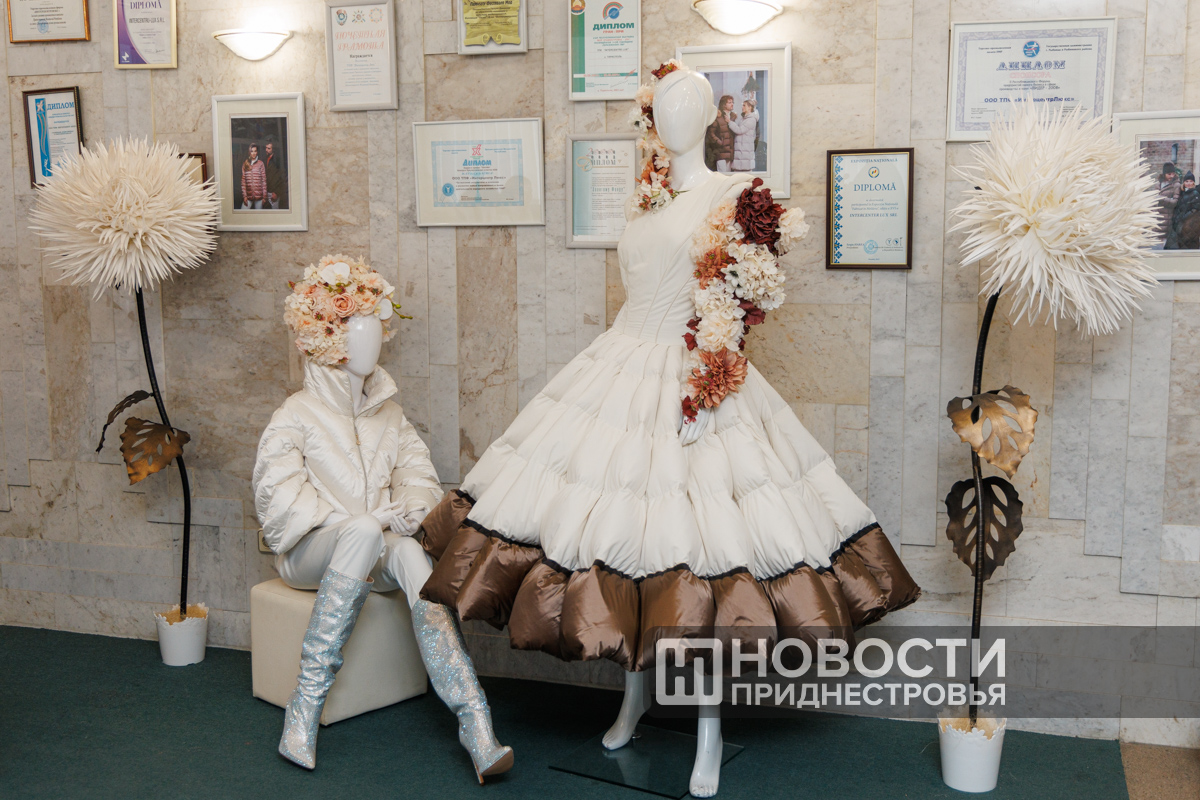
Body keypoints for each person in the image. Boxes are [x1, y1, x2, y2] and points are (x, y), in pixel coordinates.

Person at [417, 65, 919, 798]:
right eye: (665, 105)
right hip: (620, 368)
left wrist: (708, 381)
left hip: (696, 378)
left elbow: (735, 307)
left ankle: (707, 731)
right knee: (634, 547)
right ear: (652, 117)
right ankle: (635, 697)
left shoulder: (734, 194)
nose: (674, 117)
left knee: (699, 556)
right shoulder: (647, 194)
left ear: (712, 116)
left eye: (690, 105)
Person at [255, 255, 513, 780]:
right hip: (309, 554)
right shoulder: (295, 415)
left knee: (411, 554)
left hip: (372, 548)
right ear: (328, 339)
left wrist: (410, 511)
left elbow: (418, 476)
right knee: (363, 529)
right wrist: (363, 517)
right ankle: (303, 711)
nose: (370, 341)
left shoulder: (390, 415)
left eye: (375, 329)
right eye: (357, 330)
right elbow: (276, 506)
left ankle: (475, 721)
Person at [1167, 171, 1200, 250]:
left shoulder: (1195, 193)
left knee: (1189, 248)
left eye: (1191, 181)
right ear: (1184, 182)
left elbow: (1195, 209)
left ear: (1193, 183)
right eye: (1187, 181)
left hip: (1190, 226)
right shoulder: (1182, 193)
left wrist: (1183, 218)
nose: (1188, 183)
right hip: (1180, 225)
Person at [704, 94, 735, 172]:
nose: (732, 104)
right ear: (724, 105)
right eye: (729, 102)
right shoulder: (718, 116)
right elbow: (711, 133)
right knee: (722, 175)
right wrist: (720, 143)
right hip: (720, 152)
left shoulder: (732, 117)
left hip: (730, 153)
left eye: (732, 102)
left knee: (728, 175)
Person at [1154, 162, 1180, 250]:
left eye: (1173, 173)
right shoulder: (1158, 184)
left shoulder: (1176, 185)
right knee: (1157, 243)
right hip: (1157, 217)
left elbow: (1174, 202)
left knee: (1164, 243)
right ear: (1164, 173)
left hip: (1167, 218)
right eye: (1169, 174)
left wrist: (1161, 198)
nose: (1172, 176)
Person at [728, 98, 759, 172]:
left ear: (750, 107)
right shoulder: (744, 119)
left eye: (744, 105)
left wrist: (729, 122)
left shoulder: (751, 120)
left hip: (745, 154)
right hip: (741, 153)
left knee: (745, 175)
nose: (742, 107)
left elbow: (739, 130)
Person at [240, 143, 267, 210]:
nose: (253, 153)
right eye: (252, 151)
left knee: (258, 216)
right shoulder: (245, 164)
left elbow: (264, 181)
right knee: (242, 213)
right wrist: (245, 196)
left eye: (255, 151)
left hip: (259, 197)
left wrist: (264, 197)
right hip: (248, 197)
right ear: (249, 152)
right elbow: (243, 182)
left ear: (257, 152)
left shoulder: (260, 163)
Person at [264, 141, 288, 210]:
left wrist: (277, 193)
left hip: (274, 192)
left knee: (275, 210)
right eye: (266, 148)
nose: (266, 150)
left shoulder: (277, 161)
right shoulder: (265, 159)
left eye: (268, 148)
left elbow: (282, 178)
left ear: (273, 149)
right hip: (267, 191)